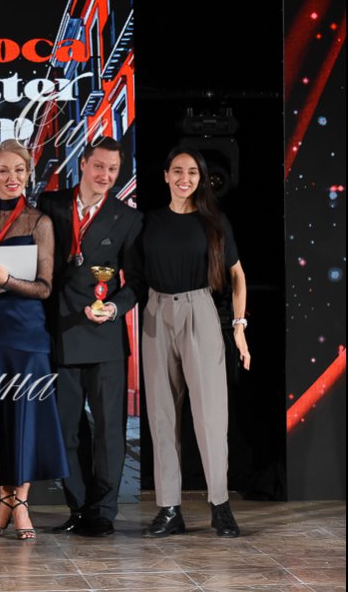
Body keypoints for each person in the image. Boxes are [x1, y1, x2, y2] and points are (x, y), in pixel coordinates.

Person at [0, 140, 69, 540]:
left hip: (27, 337)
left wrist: (7, 281)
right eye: (3, 170)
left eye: (19, 170)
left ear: (28, 174)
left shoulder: (40, 222)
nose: (11, 178)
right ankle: (7, 503)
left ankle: (19, 504)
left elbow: (45, 287)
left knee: (24, 420)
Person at [140, 147, 250, 539]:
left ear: (201, 178)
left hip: (199, 310)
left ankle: (220, 505)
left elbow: (237, 275)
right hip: (155, 312)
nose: (184, 178)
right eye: (177, 171)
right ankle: (169, 508)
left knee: (210, 415)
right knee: (161, 415)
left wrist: (239, 326)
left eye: (192, 172)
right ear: (165, 175)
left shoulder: (213, 222)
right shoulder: (149, 221)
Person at [37, 136, 143, 537]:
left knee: (109, 430)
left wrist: (113, 307)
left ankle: (103, 511)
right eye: (99, 166)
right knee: (65, 430)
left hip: (104, 335)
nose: (106, 176)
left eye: (113, 170)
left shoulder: (128, 218)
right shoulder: (50, 204)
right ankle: (78, 507)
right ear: (83, 164)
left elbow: (137, 282)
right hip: (60, 332)